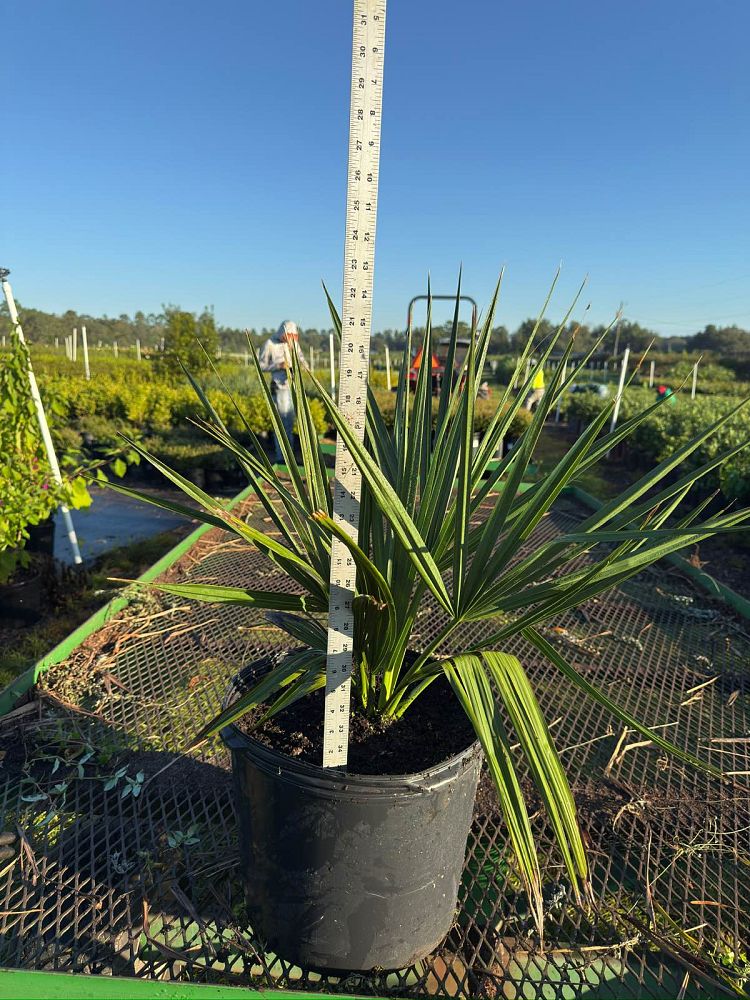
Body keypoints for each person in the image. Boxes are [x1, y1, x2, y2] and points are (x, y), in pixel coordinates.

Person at [260, 320, 305, 463]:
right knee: (281, 423)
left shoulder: (294, 344)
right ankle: (281, 457)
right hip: (279, 388)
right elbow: (261, 365)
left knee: (290, 423)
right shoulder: (270, 344)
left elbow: (302, 360)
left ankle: (290, 456)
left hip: (292, 388)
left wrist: (302, 368)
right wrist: (278, 365)